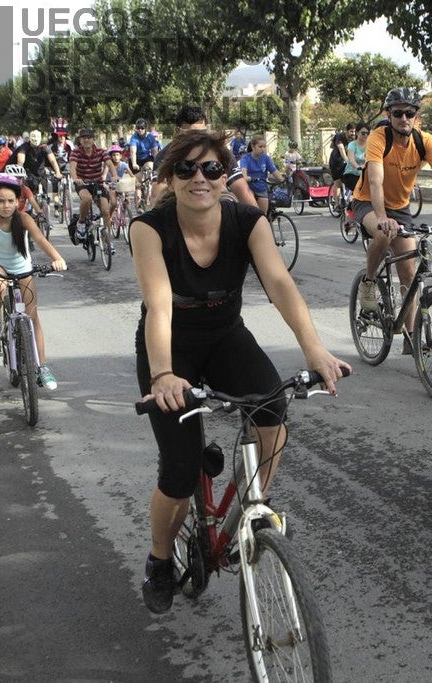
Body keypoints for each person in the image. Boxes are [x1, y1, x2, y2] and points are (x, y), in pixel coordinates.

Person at [130, 129, 351, 613]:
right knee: (179, 472)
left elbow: (279, 283)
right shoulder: (149, 228)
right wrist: (164, 375)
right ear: (169, 177)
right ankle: (160, 559)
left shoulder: (248, 221)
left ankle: (256, 504)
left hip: (226, 336)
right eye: (185, 169)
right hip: (170, 349)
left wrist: (315, 351)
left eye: (210, 168)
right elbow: (159, 305)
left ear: (225, 176)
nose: (199, 179)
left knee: (274, 407)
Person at [353, 87, 432, 353]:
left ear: (416, 116)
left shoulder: (425, 141)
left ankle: (411, 338)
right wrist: (383, 217)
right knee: (384, 233)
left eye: (409, 112)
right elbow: (375, 180)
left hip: (400, 208)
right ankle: (369, 281)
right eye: (397, 113)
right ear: (389, 114)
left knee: (409, 272)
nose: (404, 118)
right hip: (367, 202)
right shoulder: (379, 138)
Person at [0, 174, 66, 390]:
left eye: (10, 201)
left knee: (33, 316)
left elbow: (40, 239)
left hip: (22, 270)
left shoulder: (24, 218)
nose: (6, 205)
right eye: (0, 201)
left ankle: (42, 367)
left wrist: (57, 258)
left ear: (18, 201)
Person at [67, 129, 112, 253]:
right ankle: (81, 223)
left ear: (93, 139)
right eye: (83, 138)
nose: (86, 140)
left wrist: (114, 175)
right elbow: (73, 167)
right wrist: (75, 179)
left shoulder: (101, 152)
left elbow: (109, 163)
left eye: (89, 137)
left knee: (105, 211)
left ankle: (108, 241)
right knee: (87, 199)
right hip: (83, 183)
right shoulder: (76, 153)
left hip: (98, 183)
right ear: (80, 140)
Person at [239, 134, 284, 214]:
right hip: (249, 189)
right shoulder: (245, 159)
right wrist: (250, 178)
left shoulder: (266, 158)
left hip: (261, 189)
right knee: (252, 213)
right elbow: (244, 176)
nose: (263, 149)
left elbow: (274, 171)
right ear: (253, 147)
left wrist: (283, 179)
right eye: (260, 147)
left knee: (263, 215)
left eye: (264, 147)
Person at [15, 129, 62, 195]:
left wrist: (57, 172)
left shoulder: (44, 147)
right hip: (29, 173)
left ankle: (46, 203)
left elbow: (52, 160)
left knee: (45, 193)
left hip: (41, 173)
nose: (35, 145)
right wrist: (20, 174)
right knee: (31, 190)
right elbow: (20, 161)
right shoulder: (24, 147)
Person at [129, 117, 160, 205]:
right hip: (135, 159)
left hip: (146, 158)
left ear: (145, 129)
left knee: (150, 166)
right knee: (138, 184)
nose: (140, 130)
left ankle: (148, 186)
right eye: (138, 128)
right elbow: (133, 152)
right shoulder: (134, 138)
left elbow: (155, 152)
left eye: (142, 128)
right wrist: (134, 163)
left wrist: (157, 164)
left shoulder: (150, 137)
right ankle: (139, 204)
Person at [328, 122, 355, 199]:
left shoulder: (355, 138)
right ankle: (337, 204)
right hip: (336, 162)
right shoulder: (340, 137)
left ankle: (348, 199)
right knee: (338, 183)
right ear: (347, 131)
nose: (353, 133)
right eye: (351, 131)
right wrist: (347, 160)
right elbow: (341, 148)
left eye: (354, 131)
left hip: (347, 161)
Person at [342, 123, 368, 193]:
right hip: (351, 174)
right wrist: (358, 167)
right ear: (357, 133)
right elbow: (351, 159)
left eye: (367, 133)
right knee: (359, 192)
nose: (365, 135)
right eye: (363, 133)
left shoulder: (370, 145)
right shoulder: (352, 145)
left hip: (364, 175)